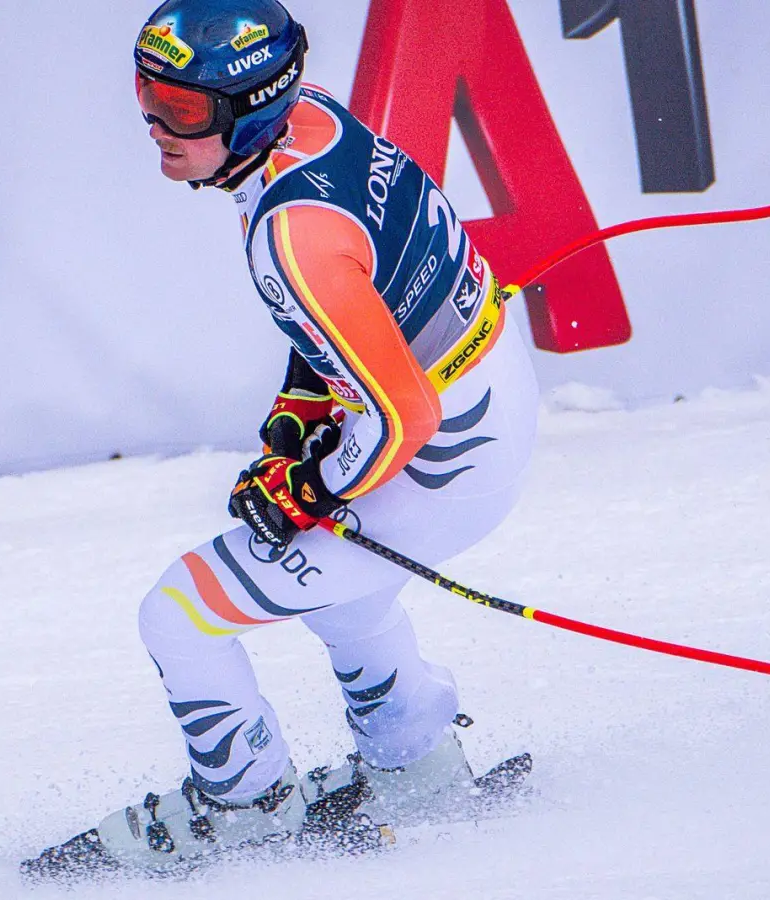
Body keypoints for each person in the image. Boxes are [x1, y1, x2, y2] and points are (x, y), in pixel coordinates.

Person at [28, 0, 538, 874]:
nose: (155, 125)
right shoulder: (310, 121)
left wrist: (308, 485)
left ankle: (243, 810)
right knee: (344, 590)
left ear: (251, 106)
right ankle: (416, 762)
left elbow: (400, 417)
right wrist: (304, 409)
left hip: (442, 450)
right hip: (483, 400)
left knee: (179, 614)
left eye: (183, 111)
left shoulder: (290, 233)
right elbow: (355, 317)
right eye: (146, 94)